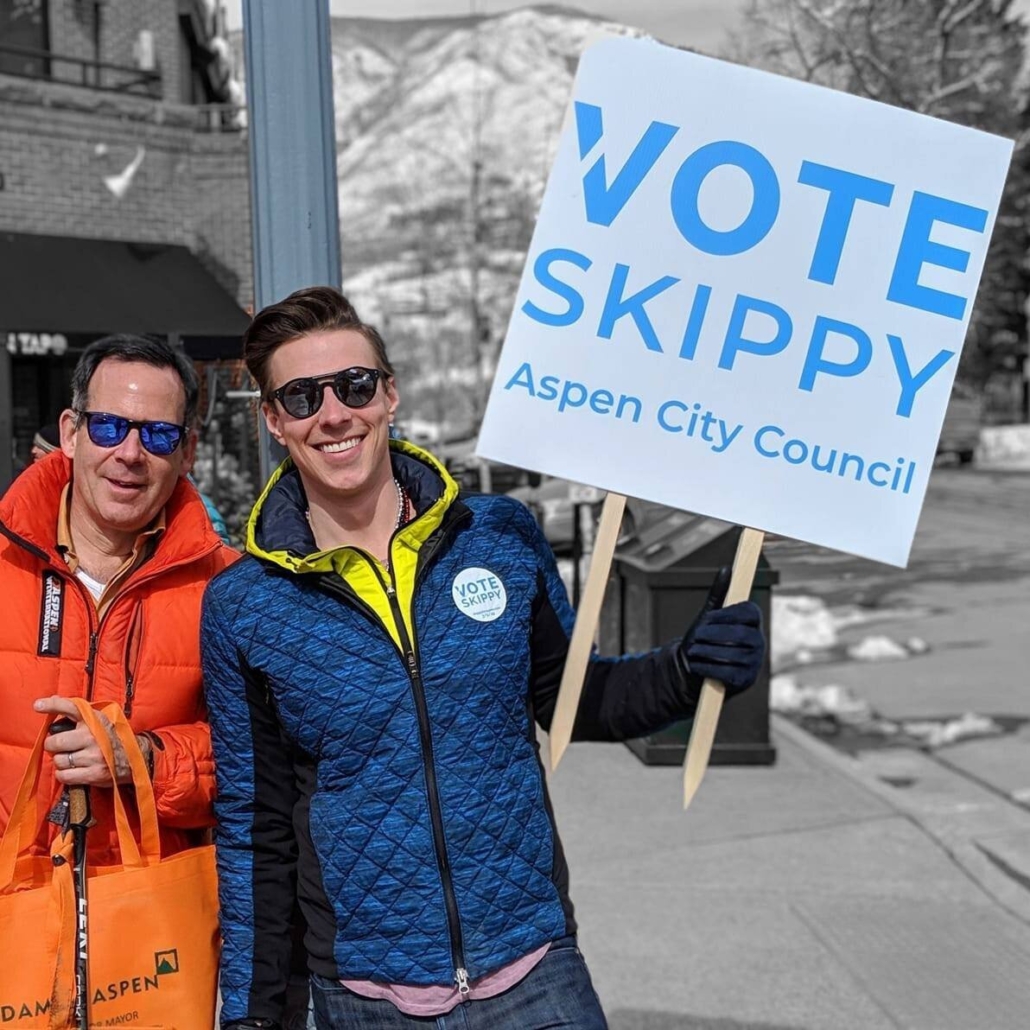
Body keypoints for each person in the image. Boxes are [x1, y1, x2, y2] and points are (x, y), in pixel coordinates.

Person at [201, 286, 766, 1030]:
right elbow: (256, 829)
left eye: (355, 385)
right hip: (366, 994)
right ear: (273, 421)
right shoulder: (246, 603)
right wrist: (251, 1014)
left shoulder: (497, 535)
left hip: (535, 967)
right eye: (302, 397)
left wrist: (689, 666)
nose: (333, 413)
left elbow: (576, 698)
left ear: (389, 394)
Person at [0, 334, 238, 868]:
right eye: (108, 427)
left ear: (187, 453)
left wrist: (145, 759)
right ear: (70, 433)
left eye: (157, 435)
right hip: (13, 920)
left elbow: (259, 765)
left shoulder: (230, 588)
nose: (129, 454)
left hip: (153, 924)